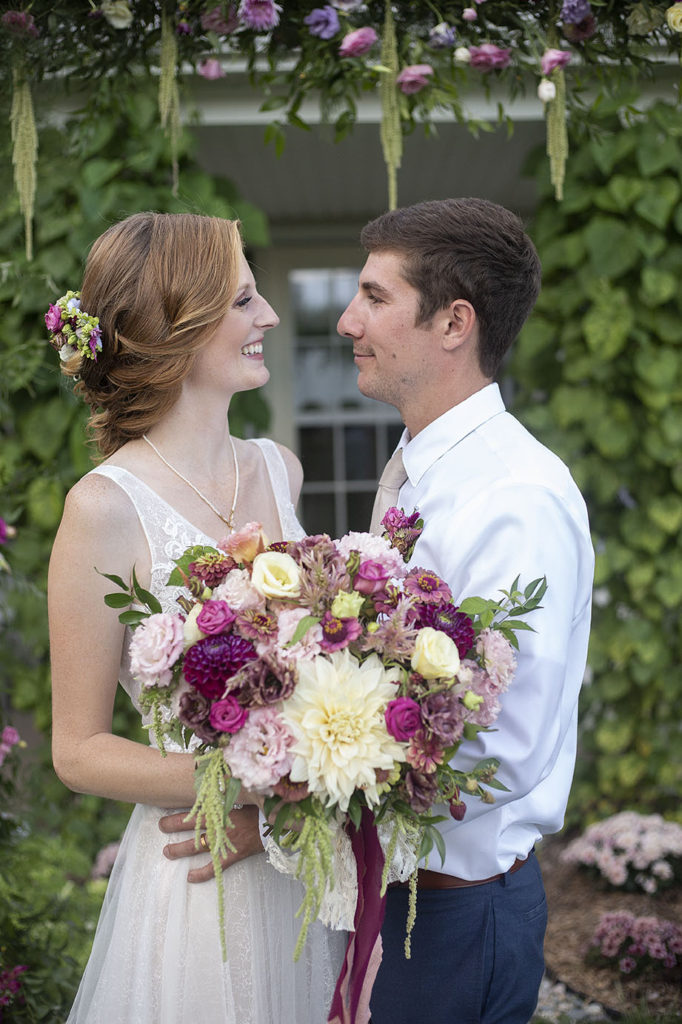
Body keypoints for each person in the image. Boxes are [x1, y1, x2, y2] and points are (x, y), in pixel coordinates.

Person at [48, 211, 347, 1024]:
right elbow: (77, 751)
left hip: (297, 869)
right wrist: (260, 786)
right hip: (196, 881)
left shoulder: (280, 471)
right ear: (179, 325)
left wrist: (301, 792)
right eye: (246, 301)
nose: (270, 319)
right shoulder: (105, 508)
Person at [336, 197, 595, 1024]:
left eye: (376, 298)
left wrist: (294, 786)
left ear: (454, 323)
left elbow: (502, 749)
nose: (347, 321)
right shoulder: (424, 466)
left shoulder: (514, 496)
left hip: (454, 913)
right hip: (400, 894)